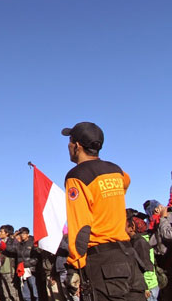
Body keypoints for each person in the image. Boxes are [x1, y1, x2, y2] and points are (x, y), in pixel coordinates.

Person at [62, 122, 144, 301]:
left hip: (103, 263)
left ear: (77, 146)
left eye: (69, 141)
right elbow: (126, 181)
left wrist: (74, 266)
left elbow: (80, 225)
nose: (68, 146)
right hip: (129, 257)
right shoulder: (116, 170)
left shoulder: (76, 176)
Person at [7, 227, 39, 301]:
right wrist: (12, 237)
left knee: (35, 291)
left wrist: (27, 264)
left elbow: (36, 258)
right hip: (22, 271)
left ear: (28, 234)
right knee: (25, 292)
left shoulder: (32, 243)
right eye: (21, 234)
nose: (22, 235)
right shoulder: (19, 245)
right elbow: (9, 248)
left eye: (24, 234)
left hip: (31, 270)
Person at [0, 225, 19, 301]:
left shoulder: (12, 241)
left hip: (10, 270)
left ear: (6, 233)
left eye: (1, 231)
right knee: (5, 294)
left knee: (13, 292)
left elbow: (14, 250)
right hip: (1, 270)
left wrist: (3, 246)